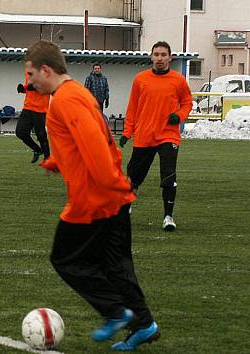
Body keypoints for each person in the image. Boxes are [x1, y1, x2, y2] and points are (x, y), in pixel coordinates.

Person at [25, 40, 160, 351]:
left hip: (95, 199)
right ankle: (144, 324)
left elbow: (96, 148)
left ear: (46, 70)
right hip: (113, 194)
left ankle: (114, 311)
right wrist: (58, 161)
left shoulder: (64, 100)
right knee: (116, 264)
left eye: (31, 74)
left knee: (65, 259)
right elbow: (89, 137)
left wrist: (109, 185)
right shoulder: (75, 94)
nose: (29, 81)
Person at [119, 41, 192, 232]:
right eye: (156, 54)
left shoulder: (178, 80)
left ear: (170, 57)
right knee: (133, 177)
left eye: (163, 54)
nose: (159, 58)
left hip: (168, 136)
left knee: (168, 176)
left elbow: (187, 103)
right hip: (144, 135)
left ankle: (168, 217)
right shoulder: (140, 79)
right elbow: (133, 108)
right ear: (151, 57)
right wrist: (127, 132)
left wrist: (180, 116)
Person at [15, 72, 51, 163]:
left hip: (40, 109)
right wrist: (23, 89)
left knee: (41, 135)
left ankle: (48, 158)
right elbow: (29, 87)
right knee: (20, 132)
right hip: (28, 107)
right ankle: (38, 150)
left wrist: (27, 87)